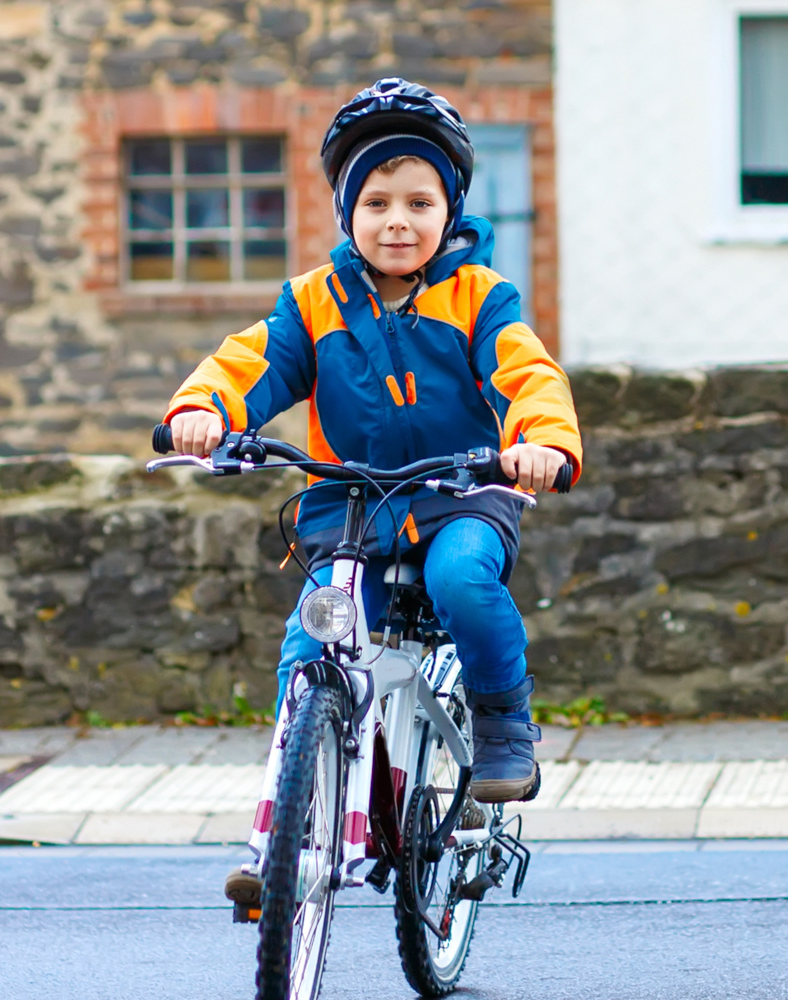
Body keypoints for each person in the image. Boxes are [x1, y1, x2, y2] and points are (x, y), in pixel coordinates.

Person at [160, 80, 582, 898]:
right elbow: (252, 364)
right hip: (351, 507)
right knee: (309, 648)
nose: (398, 220)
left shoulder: (480, 298)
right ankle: (284, 838)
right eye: (377, 201)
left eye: (420, 202)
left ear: (450, 211)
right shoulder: (311, 303)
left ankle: (502, 724)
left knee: (462, 578)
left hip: (464, 493)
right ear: (347, 213)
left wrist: (539, 442)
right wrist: (203, 411)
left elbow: (528, 374)